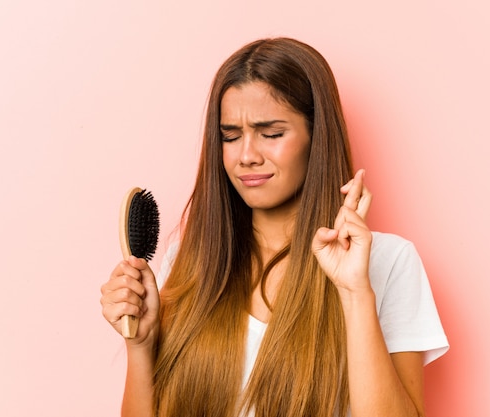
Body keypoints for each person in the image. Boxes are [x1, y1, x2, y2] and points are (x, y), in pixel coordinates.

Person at [100, 37, 448, 417]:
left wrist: (354, 292)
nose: (246, 156)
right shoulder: (188, 261)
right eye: (230, 136)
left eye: (271, 134)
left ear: (317, 137)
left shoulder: (388, 263)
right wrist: (142, 345)